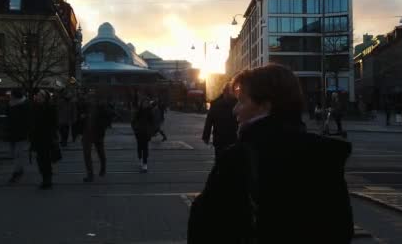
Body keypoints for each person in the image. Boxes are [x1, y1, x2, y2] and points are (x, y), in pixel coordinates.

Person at [188, 64, 353, 243]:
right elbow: (340, 229)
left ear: (264, 106)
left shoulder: (238, 159)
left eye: (242, 101)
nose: (235, 110)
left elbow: (206, 229)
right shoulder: (324, 155)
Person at [30, 90, 59, 190]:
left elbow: (53, 123)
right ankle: (45, 178)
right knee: (40, 159)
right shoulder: (34, 107)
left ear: (44, 97)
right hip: (37, 138)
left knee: (45, 159)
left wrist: (53, 136)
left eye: (39, 95)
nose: (37, 97)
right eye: (37, 95)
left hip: (46, 138)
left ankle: (47, 180)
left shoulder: (50, 108)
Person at [202, 84, 238, 160]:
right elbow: (209, 120)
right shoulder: (236, 104)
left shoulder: (216, 104)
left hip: (226, 138)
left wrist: (206, 136)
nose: (230, 94)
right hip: (225, 138)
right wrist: (206, 136)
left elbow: (209, 121)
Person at [82, 96, 111, 182]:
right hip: (87, 133)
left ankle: (103, 168)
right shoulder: (84, 106)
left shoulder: (102, 107)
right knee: (86, 154)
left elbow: (108, 119)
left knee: (100, 152)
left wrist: (103, 127)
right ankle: (90, 174)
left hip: (98, 132)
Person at [6, 89, 29, 183]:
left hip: (20, 132)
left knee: (18, 153)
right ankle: (19, 169)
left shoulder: (24, 105)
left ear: (15, 96)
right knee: (13, 153)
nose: (10, 96)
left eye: (11, 95)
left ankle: (17, 171)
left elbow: (27, 119)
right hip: (12, 132)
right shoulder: (10, 104)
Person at [131, 98, 155, 173]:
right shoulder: (138, 111)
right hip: (138, 132)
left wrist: (151, 132)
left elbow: (152, 123)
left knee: (145, 148)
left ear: (148, 104)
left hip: (146, 132)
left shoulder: (150, 111)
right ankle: (140, 159)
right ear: (141, 103)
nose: (145, 104)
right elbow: (133, 121)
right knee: (139, 146)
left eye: (146, 103)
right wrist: (135, 129)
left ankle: (145, 164)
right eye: (144, 103)